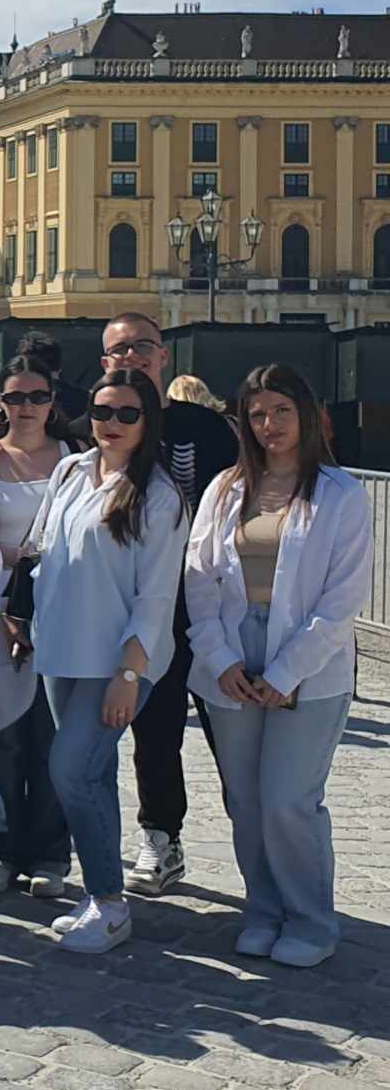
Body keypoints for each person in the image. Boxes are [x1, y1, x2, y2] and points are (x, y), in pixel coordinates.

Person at [186, 364, 370, 968]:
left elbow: (341, 600)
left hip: (308, 662)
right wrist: (220, 657)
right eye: (258, 414)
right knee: (246, 797)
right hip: (234, 654)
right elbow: (201, 580)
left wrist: (286, 672)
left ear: (307, 415)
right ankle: (262, 909)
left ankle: (311, 919)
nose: (269, 426)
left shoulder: (342, 494)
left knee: (289, 797)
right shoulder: (224, 489)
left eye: (281, 412)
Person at [22, 368, 188, 953]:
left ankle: (111, 903)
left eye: (126, 414)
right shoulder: (70, 470)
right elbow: (44, 551)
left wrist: (129, 674)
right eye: (101, 412)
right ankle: (99, 894)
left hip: (117, 661)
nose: (111, 424)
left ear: (148, 421)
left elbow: (157, 597)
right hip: (60, 650)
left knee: (70, 769)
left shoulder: (159, 496)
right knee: (92, 773)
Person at [96, 313, 238, 897]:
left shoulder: (203, 428)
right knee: (154, 733)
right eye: (119, 349)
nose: (131, 358)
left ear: (163, 358)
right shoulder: (94, 423)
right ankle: (161, 836)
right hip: (134, 612)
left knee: (234, 739)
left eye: (143, 348)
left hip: (208, 609)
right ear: (105, 361)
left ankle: (263, 844)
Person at [0, 355, 82, 900]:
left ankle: (52, 853)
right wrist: (12, 554)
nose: (27, 407)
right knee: (4, 738)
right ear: (0, 402)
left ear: (52, 401)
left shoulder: (75, 460)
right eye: (15, 398)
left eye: (37, 397)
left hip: (59, 610)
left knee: (52, 738)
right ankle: (0, 846)